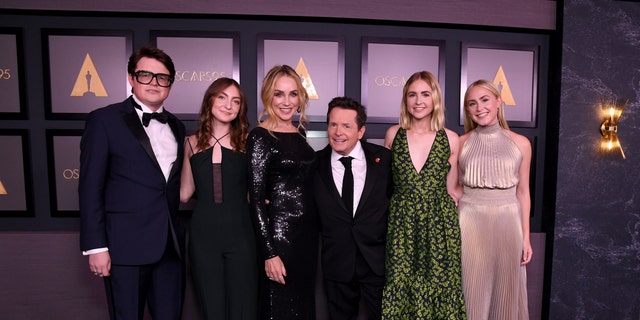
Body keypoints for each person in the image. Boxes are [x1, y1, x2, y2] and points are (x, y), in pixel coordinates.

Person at [79, 46, 186, 319]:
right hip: (124, 248)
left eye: (162, 78)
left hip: (169, 248)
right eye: (146, 75)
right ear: (131, 78)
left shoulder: (176, 125)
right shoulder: (104, 120)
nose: (154, 83)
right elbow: (91, 187)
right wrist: (96, 247)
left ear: (170, 85)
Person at [382, 71, 466, 319]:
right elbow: (383, 184)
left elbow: (452, 189)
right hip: (402, 224)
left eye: (425, 94)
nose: (418, 101)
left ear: (435, 99)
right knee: (400, 284)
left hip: (439, 224)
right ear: (405, 100)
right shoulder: (393, 134)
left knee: (441, 287)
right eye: (412, 95)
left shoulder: (450, 138)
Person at [179, 78, 257, 319]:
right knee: (212, 309)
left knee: (243, 309)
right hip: (203, 239)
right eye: (222, 97)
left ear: (240, 109)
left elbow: (254, 194)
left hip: (242, 236)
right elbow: (184, 194)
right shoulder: (191, 143)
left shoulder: (248, 143)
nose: (228, 105)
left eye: (235, 101)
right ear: (210, 100)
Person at [246, 65, 318, 319]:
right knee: (278, 309)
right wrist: (269, 253)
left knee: (302, 307)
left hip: (307, 239)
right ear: (268, 96)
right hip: (278, 238)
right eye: (279, 94)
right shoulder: (260, 136)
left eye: (293, 94)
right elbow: (255, 199)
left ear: (300, 97)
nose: (286, 102)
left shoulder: (300, 133)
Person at [458, 79, 532, 319]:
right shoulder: (460, 143)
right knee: (470, 289)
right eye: (472, 103)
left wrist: (526, 238)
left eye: (485, 99)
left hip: (508, 223)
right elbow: (453, 188)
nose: (479, 107)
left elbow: (523, 192)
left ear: (499, 102)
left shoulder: (521, 143)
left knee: (506, 291)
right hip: (469, 223)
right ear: (467, 110)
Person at [313, 96, 392, 319]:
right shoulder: (313, 164)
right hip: (337, 263)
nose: (338, 132)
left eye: (347, 126)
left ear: (361, 131)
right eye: (333, 124)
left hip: (376, 262)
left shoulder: (385, 160)